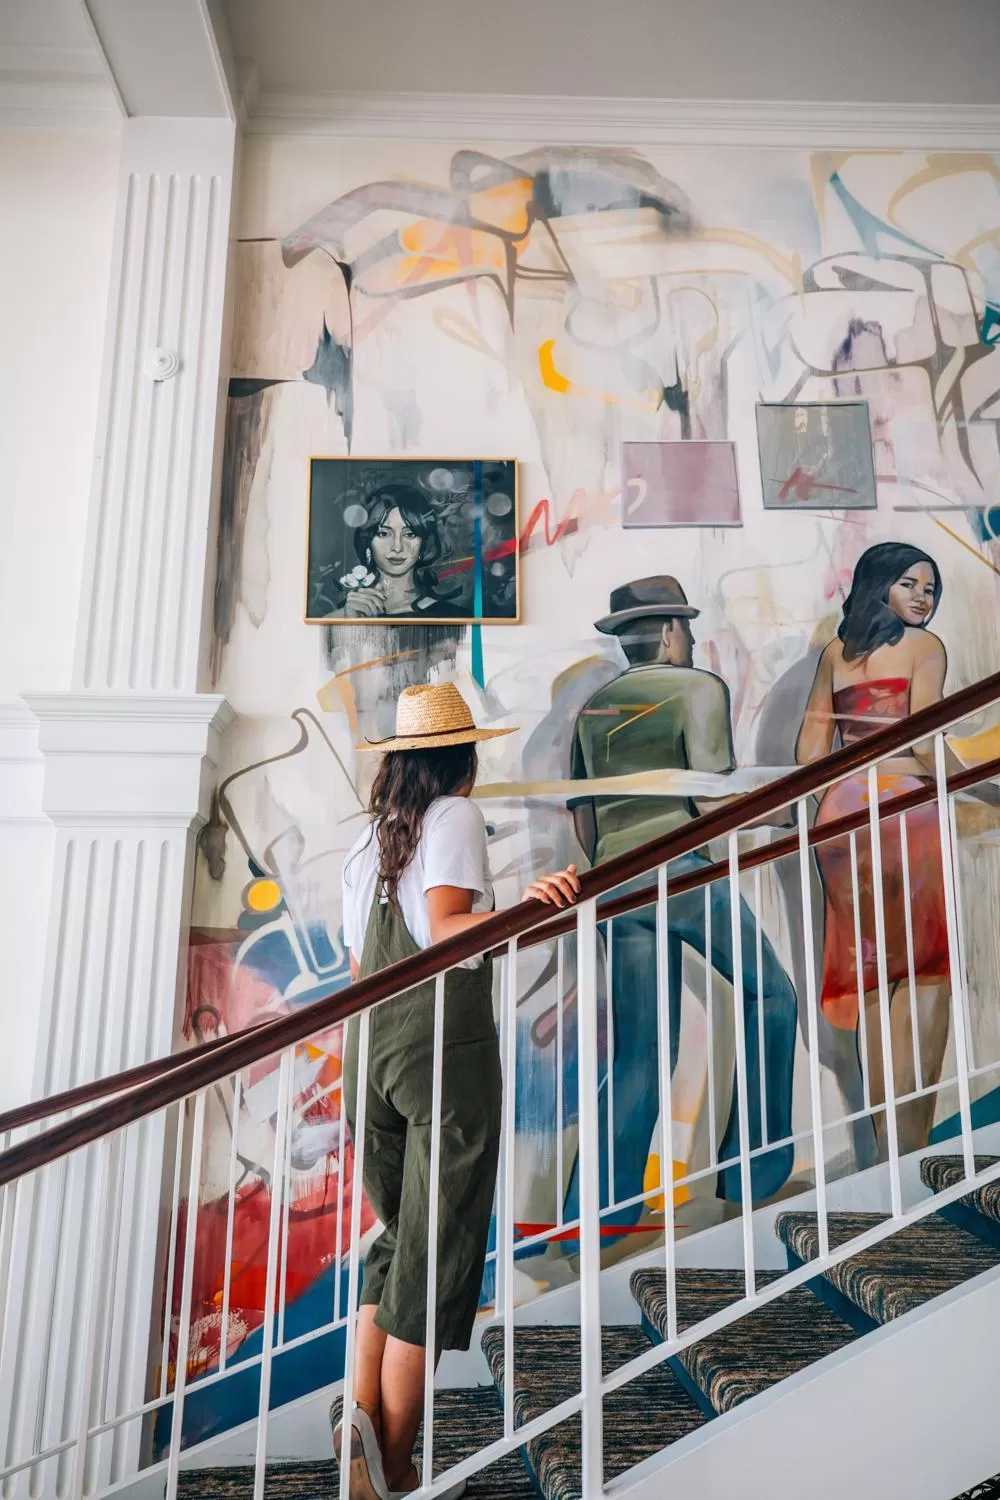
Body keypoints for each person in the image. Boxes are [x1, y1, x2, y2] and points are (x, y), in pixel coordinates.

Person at [334, 682, 579, 1500]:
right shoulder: (455, 817)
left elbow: (362, 967)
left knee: (401, 1239)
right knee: (435, 1256)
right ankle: (398, 1468)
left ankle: (361, 1431)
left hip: (370, 1050)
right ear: (462, 757)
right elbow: (445, 931)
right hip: (441, 1047)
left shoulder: (369, 840)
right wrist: (527, 907)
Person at [565, 576, 797, 1228]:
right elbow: (707, 796)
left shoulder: (596, 708)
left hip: (616, 881)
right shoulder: (698, 688)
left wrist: (614, 866)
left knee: (641, 1050)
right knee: (772, 996)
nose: (690, 639)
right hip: (681, 872)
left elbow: (583, 815)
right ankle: (752, 1170)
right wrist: (779, 815)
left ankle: (598, 1215)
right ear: (670, 631)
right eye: (686, 628)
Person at [796, 541, 965, 1154]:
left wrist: (842, 795)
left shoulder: (836, 654)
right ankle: (912, 1149)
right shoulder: (925, 648)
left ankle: (885, 1150)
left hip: (842, 819)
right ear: (879, 585)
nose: (922, 597)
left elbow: (809, 755)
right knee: (926, 973)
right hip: (905, 812)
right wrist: (982, 784)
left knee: (873, 975)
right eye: (909, 584)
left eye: (930, 588)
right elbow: (923, 742)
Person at [343, 486, 466, 619]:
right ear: (367, 541)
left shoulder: (453, 616)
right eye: (384, 533)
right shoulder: (346, 613)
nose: (397, 547)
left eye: (410, 534)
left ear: (424, 542)